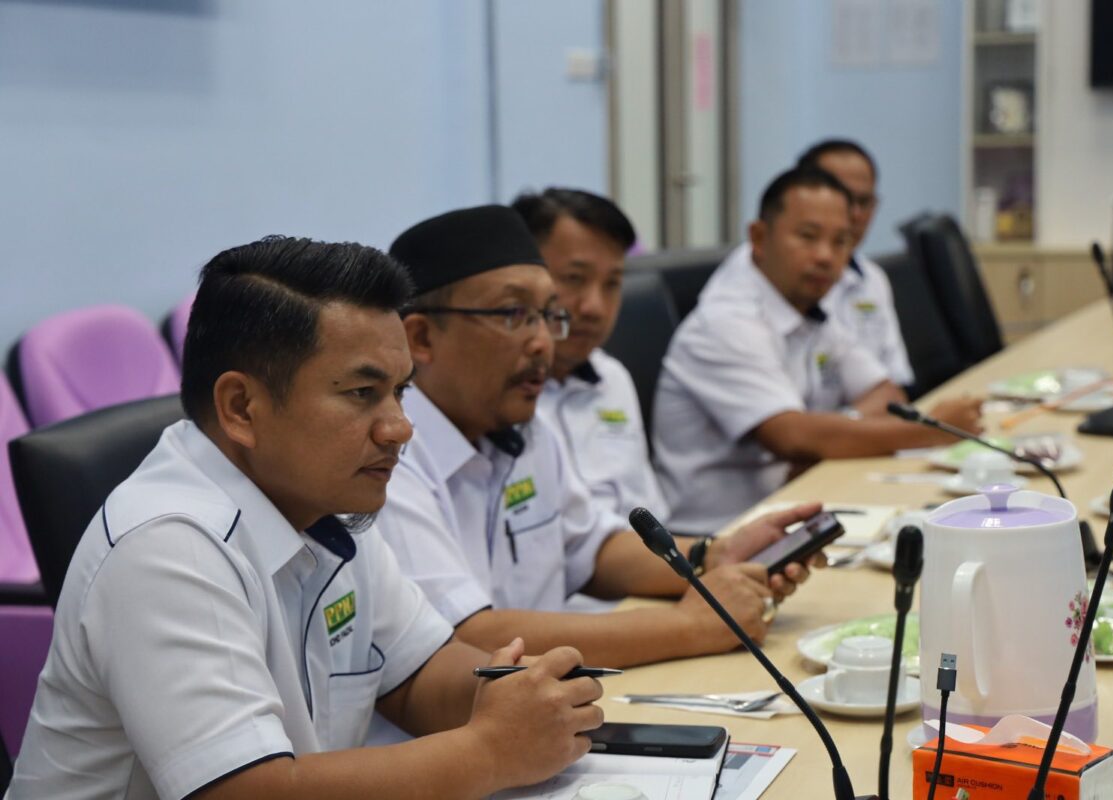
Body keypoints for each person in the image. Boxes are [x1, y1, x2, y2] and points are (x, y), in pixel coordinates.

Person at [8, 237, 601, 800]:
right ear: (241, 407)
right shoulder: (167, 547)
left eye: (400, 392)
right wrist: (489, 751)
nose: (399, 428)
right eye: (362, 393)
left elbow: (420, 675)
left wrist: (525, 698)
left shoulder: (324, 501)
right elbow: (248, 793)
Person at [377, 205, 822, 669]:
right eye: (514, 314)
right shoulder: (388, 455)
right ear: (421, 339)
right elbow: (466, 638)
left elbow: (592, 549)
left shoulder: (523, 429)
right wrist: (691, 626)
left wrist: (715, 554)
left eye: (547, 315)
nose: (543, 342)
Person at [653, 168, 983, 534]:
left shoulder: (809, 308)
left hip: (796, 504)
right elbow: (792, 436)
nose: (826, 256)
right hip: (716, 534)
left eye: (841, 241)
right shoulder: (725, 323)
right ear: (759, 238)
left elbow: (886, 393)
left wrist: (829, 437)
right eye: (808, 237)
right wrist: (928, 431)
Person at [511, 187, 667, 517]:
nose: (594, 307)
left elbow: (651, 513)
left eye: (612, 284)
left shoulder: (613, 378)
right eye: (574, 278)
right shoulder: (495, 395)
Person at [714, 139, 913, 388]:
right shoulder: (739, 306)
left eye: (863, 202)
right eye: (808, 236)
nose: (853, 214)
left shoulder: (864, 279)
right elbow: (788, 417)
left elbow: (891, 388)